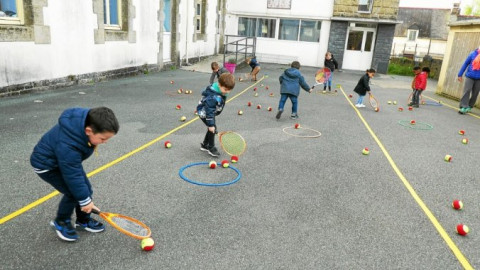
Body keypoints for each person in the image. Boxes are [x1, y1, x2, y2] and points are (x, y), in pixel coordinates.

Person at [30, 107, 119, 242]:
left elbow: (73, 170)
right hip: (47, 166)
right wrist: (84, 200)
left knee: (85, 190)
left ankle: (83, 221)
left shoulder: (88, 120)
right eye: (102, 138)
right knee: (74, 193)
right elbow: (72, 175)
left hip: (65, 162)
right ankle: (61, 222)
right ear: (88, 131)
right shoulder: (69, 145)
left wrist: (85, 199)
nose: (105, 142)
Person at [197, 73, 236, 157]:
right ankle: (211, 147)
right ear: (219, 85)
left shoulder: (219, 90)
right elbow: (209, 110)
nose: (227, 92)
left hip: (209, 111)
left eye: (230, 90)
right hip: (205, 113)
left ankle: (204, 145)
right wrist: (211, 125)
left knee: (212, 128)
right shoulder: (213, 97)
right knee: (212, 128)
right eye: (225, 89)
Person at [457, 48, 480, 114]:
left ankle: (470, 106)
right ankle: (463, 106)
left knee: (475, 93)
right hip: (470, 76)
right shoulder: (472, 54)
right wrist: (460, 74)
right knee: (467, 90)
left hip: (479, 78)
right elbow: (465, 64)